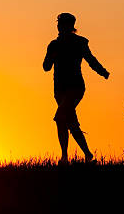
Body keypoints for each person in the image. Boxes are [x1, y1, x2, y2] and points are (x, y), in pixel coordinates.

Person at [43, 12, 110, 164]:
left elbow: (90, 60)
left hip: (75, 88)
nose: (60, 26)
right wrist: (52, 55)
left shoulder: (80, 43)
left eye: (64, 24)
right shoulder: (53, 45)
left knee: (60, 118)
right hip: (59, 90)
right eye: (59, 24)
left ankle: (65, 157)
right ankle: (87, 154)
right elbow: (46, 67)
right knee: (70, 122)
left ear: (71, 26)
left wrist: (102, 72)